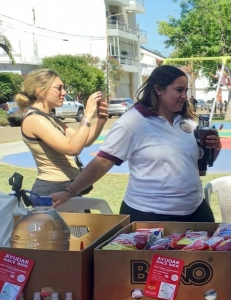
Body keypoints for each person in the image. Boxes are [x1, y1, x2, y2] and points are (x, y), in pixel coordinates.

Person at [51, 65, 222, 222]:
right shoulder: (132, 122)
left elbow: (197, 163)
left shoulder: (186, 122)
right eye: (179, 90)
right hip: (149, 215)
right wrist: (70, 191)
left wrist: (214, 148)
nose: (184, 96)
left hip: (195, 211)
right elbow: (103, 161)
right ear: (158, 89)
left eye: (186, 90)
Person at [16, 69, 108, 196]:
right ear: (40, 91)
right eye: (59, 88)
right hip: (53, 188)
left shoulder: (48, 117)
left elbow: (84, 141)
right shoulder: (34, 119)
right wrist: (87, 114)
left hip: (66, 186)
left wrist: (100, 121)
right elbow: (73, 148)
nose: (64, 92)